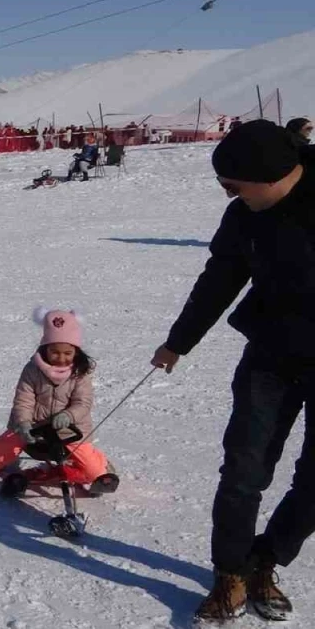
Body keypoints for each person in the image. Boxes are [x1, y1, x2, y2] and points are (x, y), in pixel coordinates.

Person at [150, 120, 314, 624]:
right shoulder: (244, 217)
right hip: (271, 357)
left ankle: (266, 561)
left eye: (234, 186)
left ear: (270, 176)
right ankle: (231, 572)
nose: (229, 196)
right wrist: (179, 342)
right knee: (245, 470)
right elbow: (219, 279)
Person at [0, 309, 116, 490]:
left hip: (68, 429)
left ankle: (98, 466)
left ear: (76, 352)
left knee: (93, 470)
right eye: (55, 352)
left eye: (67, 353)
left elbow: (83, 403)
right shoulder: (32, 370)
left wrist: (69, 415)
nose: (61, 358)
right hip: (32, 428)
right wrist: (23, 423)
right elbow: (23, 400)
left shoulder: (80, 373)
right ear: (45, 348)